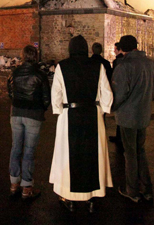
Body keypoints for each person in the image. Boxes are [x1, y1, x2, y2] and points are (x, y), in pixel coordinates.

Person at [49, 35, 113, 213]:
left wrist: (58, 111)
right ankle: (92, 196)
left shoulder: (62, 66)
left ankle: (68, 197)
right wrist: (103, 110)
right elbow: (106, 91)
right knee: (92, 154)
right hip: (92, 115)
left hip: (70, 115)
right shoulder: (97, 66)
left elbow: (56, 94)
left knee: (69, 156)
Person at [112, 35, 154, 203]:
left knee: (130, 153)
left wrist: (112, 108)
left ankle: (132, 190)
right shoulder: (150, 64)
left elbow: (119, 94)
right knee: (140, 150)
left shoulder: (124, 66)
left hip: (127, 116)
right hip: (143, 114)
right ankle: (147, 189)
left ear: (122, 48)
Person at [7, 45, 51, 200]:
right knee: (29, 151)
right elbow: (46, 98)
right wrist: (40, 108)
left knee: (16, 148)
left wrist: (17, 103)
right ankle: (27, 188)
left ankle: (14, 184)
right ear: (36, 56)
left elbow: (10, 92)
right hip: (33, 114)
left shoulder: (15, 72)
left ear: (23, 56)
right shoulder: (40, 74)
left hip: (16, 112)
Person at [109, 42, 124, 145]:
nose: (114, 51)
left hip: (120, 90)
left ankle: (120, 137)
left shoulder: (117, 61)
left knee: (120, 114)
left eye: (115, 49)